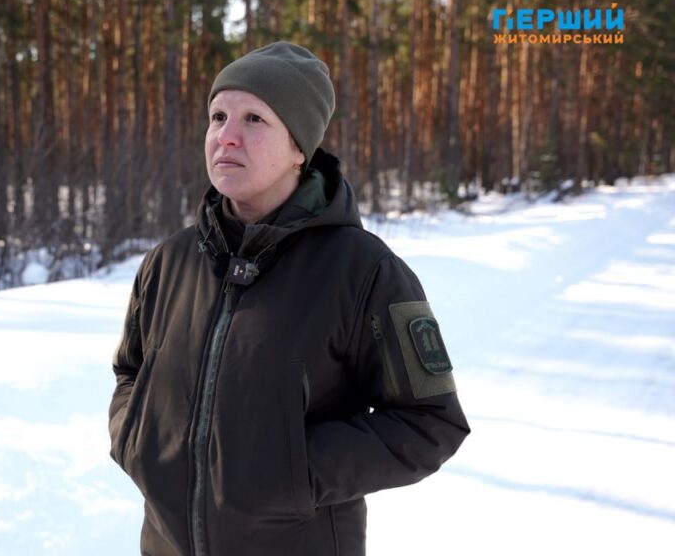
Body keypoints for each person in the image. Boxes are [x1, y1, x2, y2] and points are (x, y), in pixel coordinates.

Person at [108, 41, 469, 556]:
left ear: (300, 147)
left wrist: (294, 472)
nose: (226, 136)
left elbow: (431, 421)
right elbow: (130, 372)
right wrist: (136, 439)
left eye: (254, 119)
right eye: (217, 117)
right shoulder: (168, 262)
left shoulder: (363, 270)